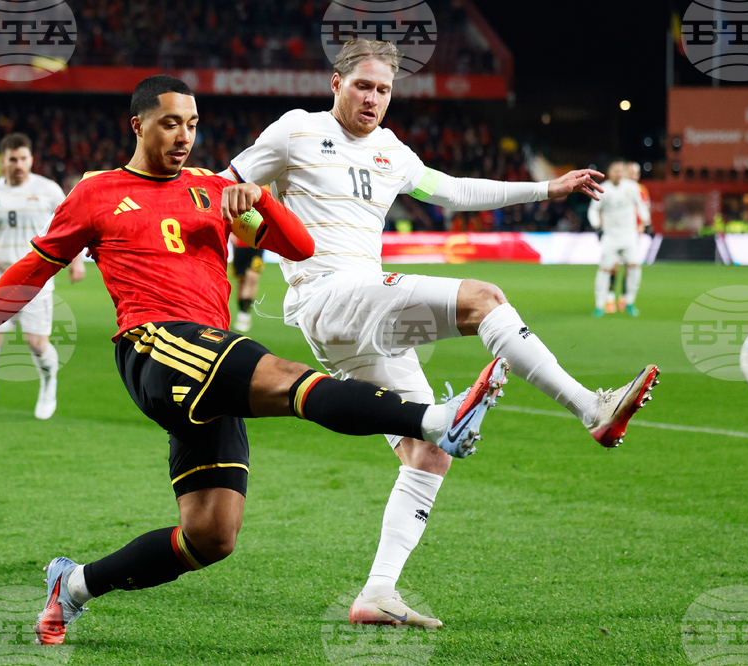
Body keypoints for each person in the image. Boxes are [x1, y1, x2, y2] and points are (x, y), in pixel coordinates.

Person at [0, 75, 508, 645]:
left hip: (209, 362)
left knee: (210, 536)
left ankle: (71, 586)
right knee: (288, 379)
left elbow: (298, 247)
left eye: (193, 125)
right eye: (170, 124)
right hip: (156, 345)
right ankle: (435, 420)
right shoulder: (95, 193)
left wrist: (260, 205)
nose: (184, 137)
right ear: (138, 125)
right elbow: (32, 270)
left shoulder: (210, 187)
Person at [219, 39, 660, 629]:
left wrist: (545, 189)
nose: (373, 99)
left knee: (429, 450)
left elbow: (451, 191)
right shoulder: (295, 130)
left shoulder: (390, 151)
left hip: (363, 312)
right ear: (336, 84)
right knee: (484, 299)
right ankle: (589, 407)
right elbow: (224, 183)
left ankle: (377, 592)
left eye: (383, 90)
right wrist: (239, 196)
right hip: (327, 296)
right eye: (363, 86)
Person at [0, 133, 85, 422]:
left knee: (37, 344)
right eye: (13, 159)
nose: (19, 164)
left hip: (36, 279)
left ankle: (48, 386)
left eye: (24, 158)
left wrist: (78, 261)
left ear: (31, 159)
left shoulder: (49, 189)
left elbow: (74, 224)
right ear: (3, 161)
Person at [588, 159, 651, 318]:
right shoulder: (603, 189)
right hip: (611, 236)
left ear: (623, 172)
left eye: (620, 171)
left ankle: (629, 301)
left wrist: (647, 222)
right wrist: (597, 227)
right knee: (605, 270)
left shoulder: (631, 188)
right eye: (614, 171)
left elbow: (641, 206)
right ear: (610, 173)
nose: (617, 174)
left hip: (629, 235)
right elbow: (593, 210)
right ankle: (600, 305)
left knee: (634, 267)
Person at [230, 230, 264, 333]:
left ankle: (244, 315)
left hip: (257, 245)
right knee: (241, 280)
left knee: (252, 278)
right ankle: (242, 313)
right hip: (239, 245)